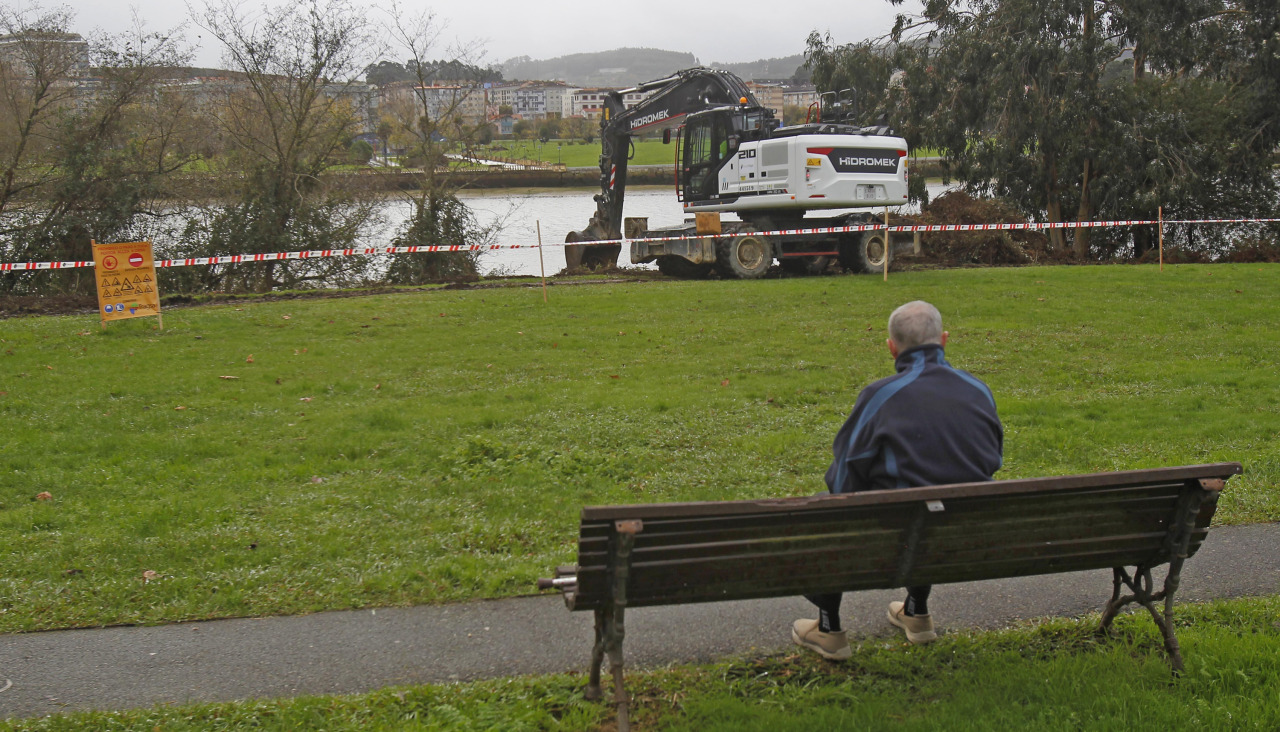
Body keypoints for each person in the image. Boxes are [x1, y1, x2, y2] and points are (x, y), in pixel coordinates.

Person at [792, 301, 1004, 660]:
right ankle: (916, 611)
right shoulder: (978, 390)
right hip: (962, 535)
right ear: (945, 340)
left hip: (892, 537)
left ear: (891, 347)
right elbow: (991, 459)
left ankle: (830, 630)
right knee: (928, 509)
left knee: (820, 516)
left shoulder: (880, 397)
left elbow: (842, 479)